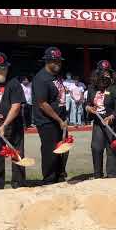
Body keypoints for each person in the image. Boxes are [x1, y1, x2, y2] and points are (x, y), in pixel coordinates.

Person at [0, 52, 26, 189]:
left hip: (12, 123)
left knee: (17, 154)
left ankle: (19, 184)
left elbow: (16, 107)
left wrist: (5, 125)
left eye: (3, 68)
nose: (1, 71)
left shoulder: (13, 83)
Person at [32, 47, 69, 185]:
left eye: (59, 61)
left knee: (63, 149)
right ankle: (49, 180)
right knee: (50, 151)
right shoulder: (41, 78)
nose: (58, 64)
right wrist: (59, 119)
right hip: (47, 122)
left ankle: (60, 175)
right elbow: (42, 103)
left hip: (60, 120)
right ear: (47, 61)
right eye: (54, 61)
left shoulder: (55, 76)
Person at [85, 60, 116, 179]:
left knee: (111, 147)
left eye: (108, 73)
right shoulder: (92, 88)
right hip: (98, 122)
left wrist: (111, 117)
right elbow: (87, 103)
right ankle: (97, 174)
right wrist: (88, 108)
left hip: (112, 123)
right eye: (103, 73)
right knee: (96, 147)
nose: (105, 75)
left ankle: (112, 173)